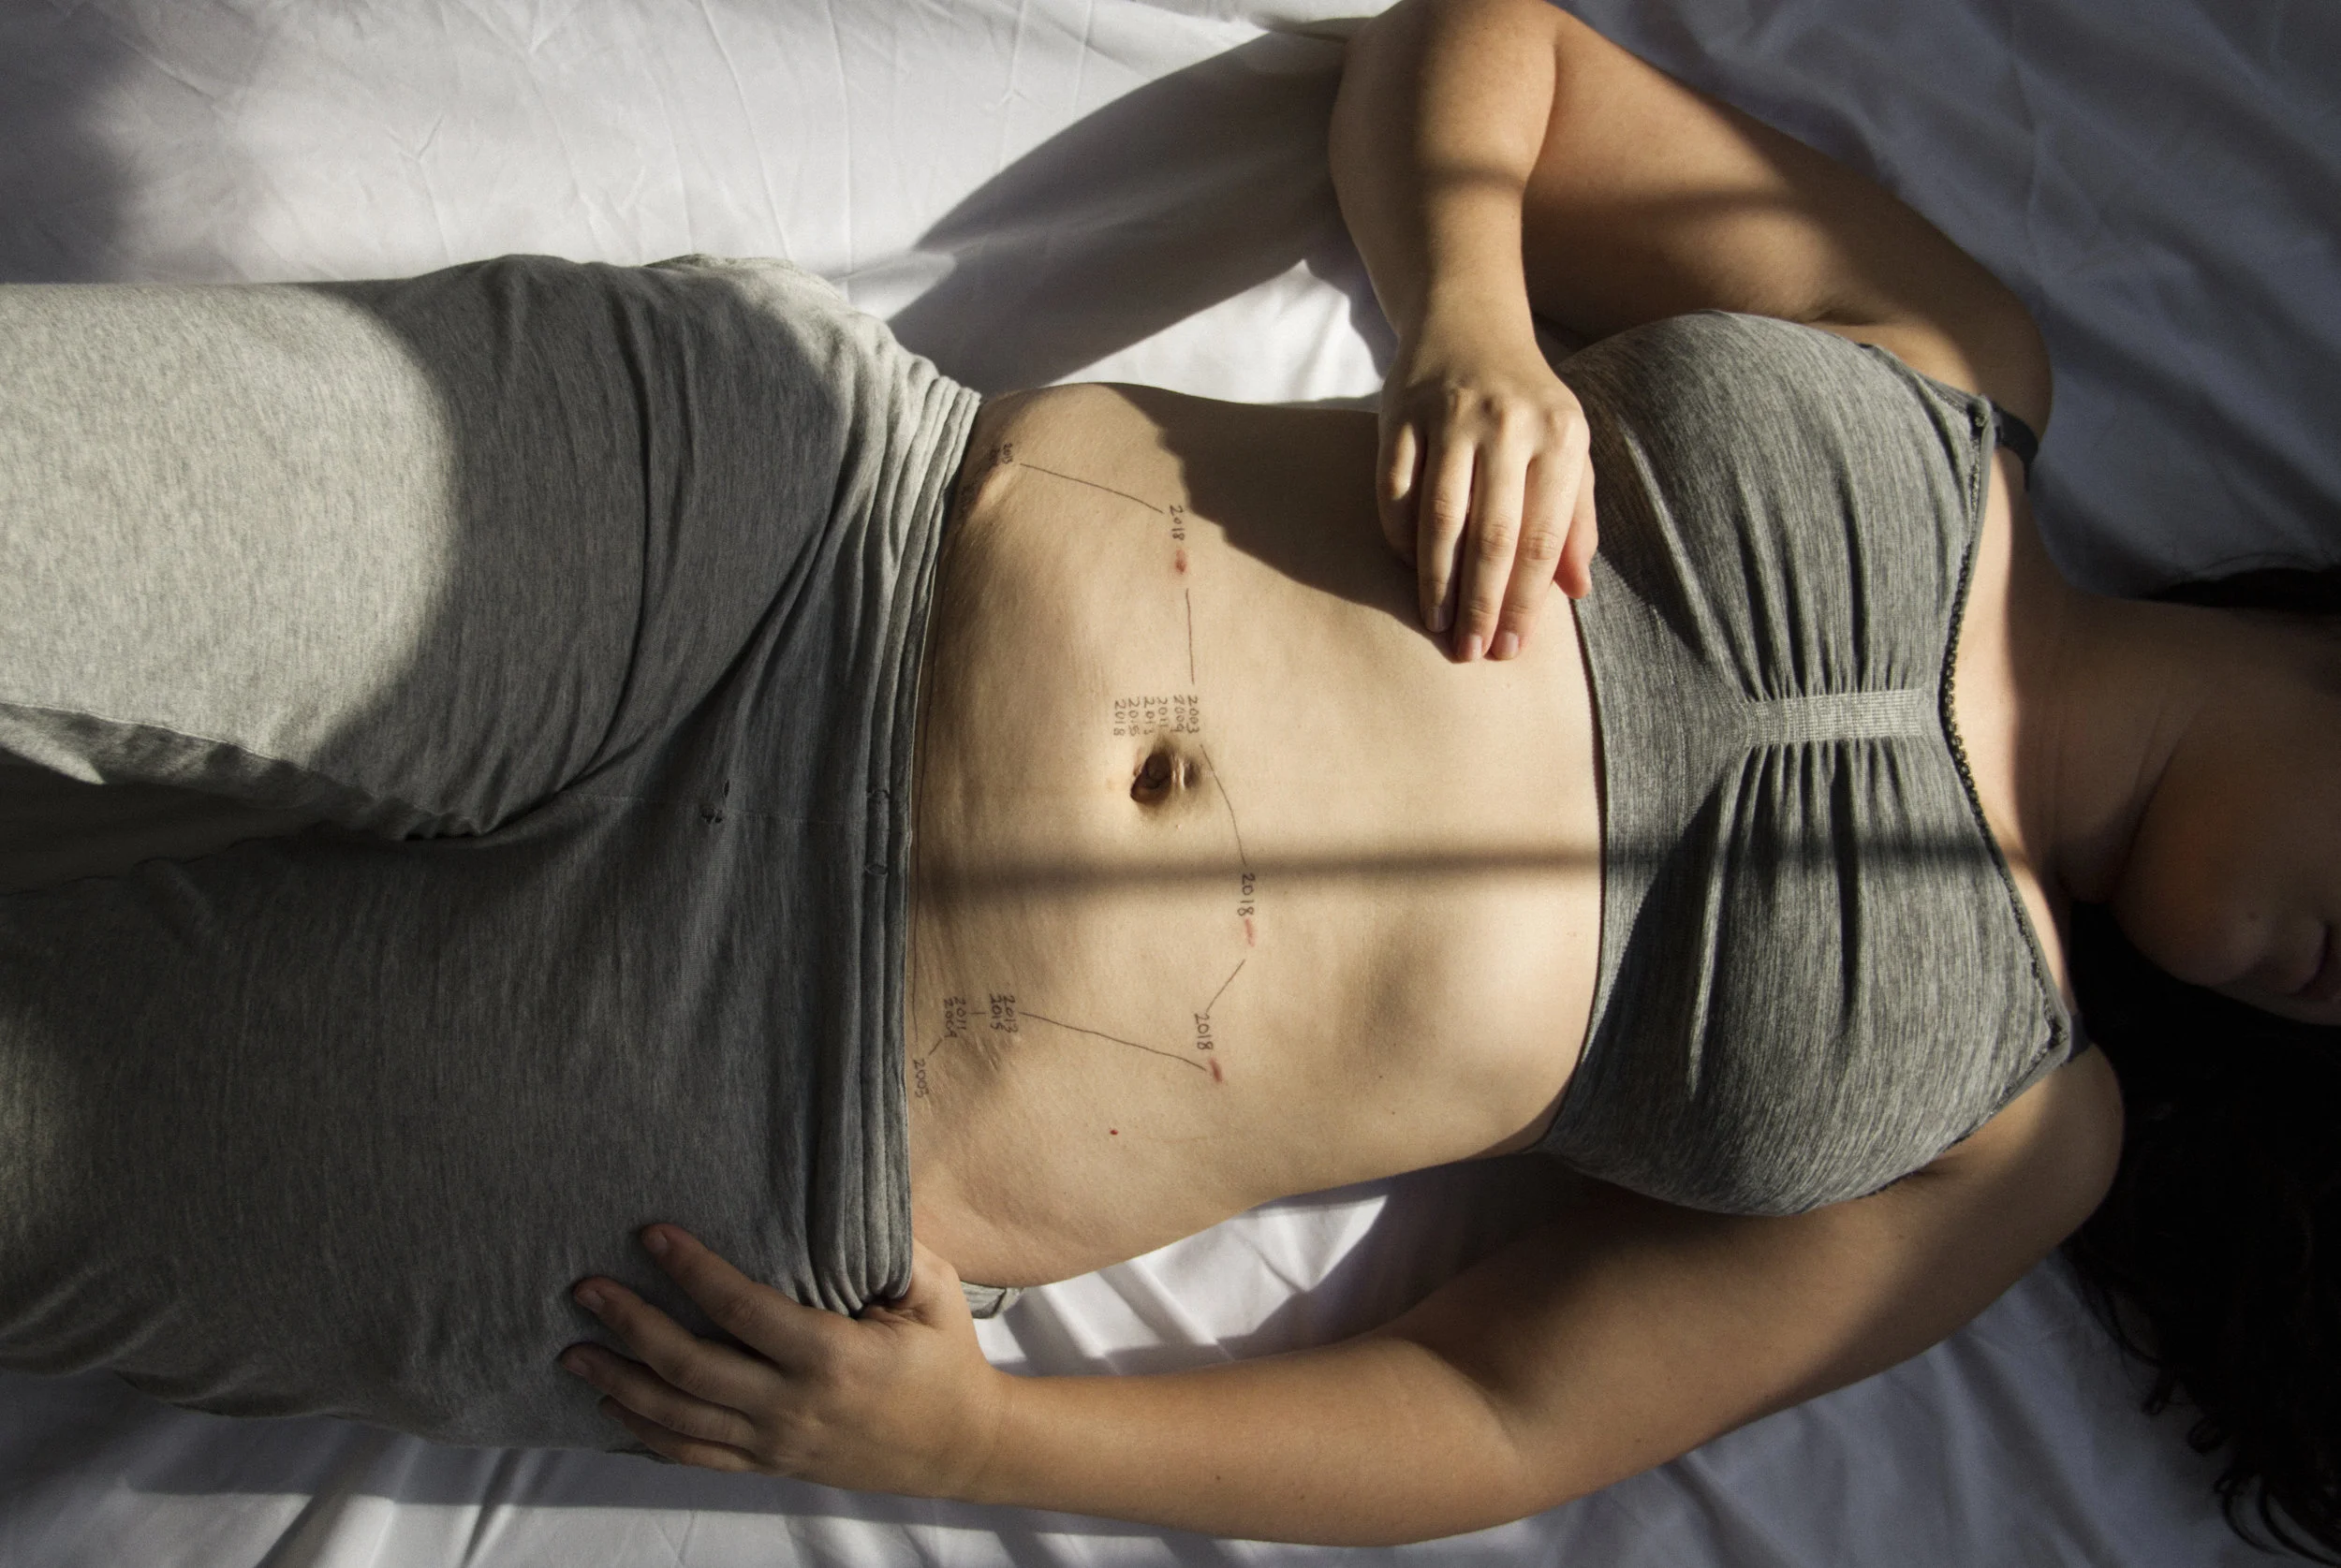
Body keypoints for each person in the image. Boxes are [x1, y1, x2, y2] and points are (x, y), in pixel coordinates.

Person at [0, 0, 2332, 1555]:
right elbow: (1481, 51)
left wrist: (977, 1445)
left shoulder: (2010, 1135)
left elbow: (1504, 1416)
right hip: (771, 534)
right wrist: (1474, 321)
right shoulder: (1955, 373)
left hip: (735, 1136)